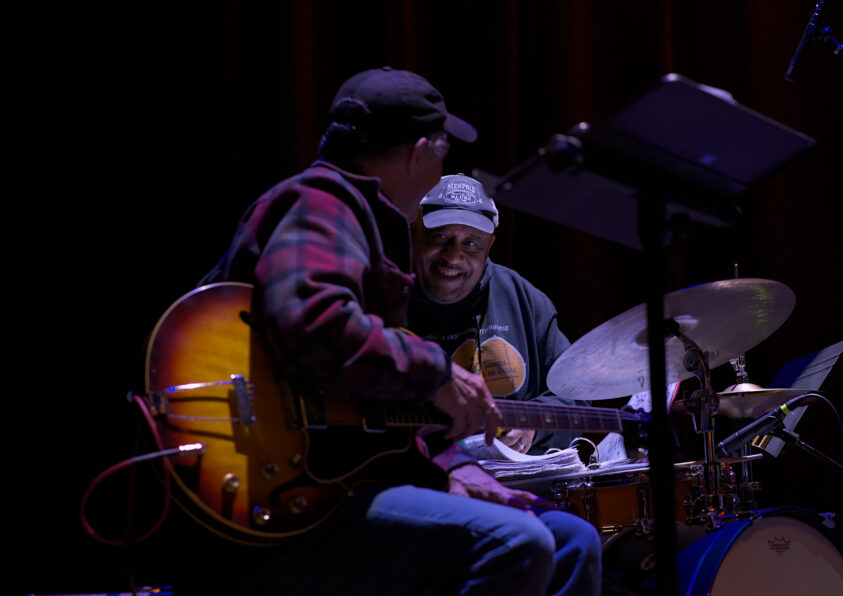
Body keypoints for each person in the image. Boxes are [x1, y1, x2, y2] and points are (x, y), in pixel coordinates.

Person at [179, 67, 602, 595]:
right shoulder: (322, 203)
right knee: (517, 542)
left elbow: (370, 401)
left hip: (348, 478)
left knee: (572, 540)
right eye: (442, 151)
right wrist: (434, 371)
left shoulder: (365, 229)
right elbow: (314, 321)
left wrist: (451, 468)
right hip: (291, 490)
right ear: (419, 151)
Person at [408, 174, 587, 455]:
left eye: (471, 243)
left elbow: (576, 395)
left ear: (489, 245)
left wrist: (533, 423)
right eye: (439, 236)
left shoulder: (523, 298)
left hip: (514, 482)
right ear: (414, 230)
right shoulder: (386, 296)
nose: (453, 257)